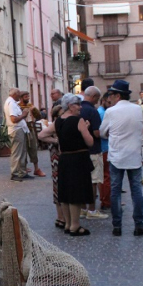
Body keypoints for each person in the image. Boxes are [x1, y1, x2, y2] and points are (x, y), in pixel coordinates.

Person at [101, 79, 143, 237]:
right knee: (137, 191)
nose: (109, 98)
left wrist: (111, 134)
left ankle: (117, 226)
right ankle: (139, 225)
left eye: (111, 95)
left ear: (117, 96)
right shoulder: (137, 109)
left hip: (117, 156)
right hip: (134, 155)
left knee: (115, 191)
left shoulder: (111, 112)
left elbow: (102, 132)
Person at [56, 93, 95, 236]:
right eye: (78, 105)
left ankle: (67, 224)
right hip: (78, 159)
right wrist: (86, 127)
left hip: (64, 159)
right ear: (70, 106)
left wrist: (58, 142)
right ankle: (75, 225)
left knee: (65, 193)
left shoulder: (58, 121)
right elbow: (90, 141)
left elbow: (42, 135)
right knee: (76, 193)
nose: (80, 107)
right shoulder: (78, 120)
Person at [79, 86, 108, 219]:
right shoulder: (93, 111)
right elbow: (97, 132)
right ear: (94, 97)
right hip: (93, 150)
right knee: (93, 180)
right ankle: (91, 210)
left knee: (82, 180)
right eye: (97, 98)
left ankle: (82, 208)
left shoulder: (77, 109)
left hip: (80, 150)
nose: (97, 101)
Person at [38, 104, 67, 230]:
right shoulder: (56, 125)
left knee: (59, 184)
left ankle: (62, 217)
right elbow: (42, 136)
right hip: (57, 158)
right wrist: (56, 141)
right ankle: (61, 217)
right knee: (58, 184)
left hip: (59, 157)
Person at [4, 88, 33, 182]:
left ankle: (22, 172)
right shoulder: (11, 103)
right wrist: (23, 115)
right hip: (16, 130)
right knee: (17, 153)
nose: (19, 96)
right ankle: (15, 173)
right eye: (19, 94)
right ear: (15, 94)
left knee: (22, 151)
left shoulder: (12, 102)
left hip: (20, 130)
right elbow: (13, 119)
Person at [97, 90, 115, 211]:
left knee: (104, 176)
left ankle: (105, 199)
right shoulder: (104, 113)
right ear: (103, 101)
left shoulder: (101, 111)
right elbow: (104, 132)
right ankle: (107, 201)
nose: (111, 104)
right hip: (105, 148)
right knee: (107, 176)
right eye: (109, 102)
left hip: (104, 148)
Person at [20, 91, 46, 177]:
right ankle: (24, 169)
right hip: (22, 129)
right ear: (21, 98)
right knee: (23, 150)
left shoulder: (31, 106)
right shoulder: (18, 106)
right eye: (25, 96)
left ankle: (36, 169)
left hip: (30, 129)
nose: (27, 98)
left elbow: (39, 117)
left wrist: (34, 110)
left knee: (33, 149)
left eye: (28, 96)